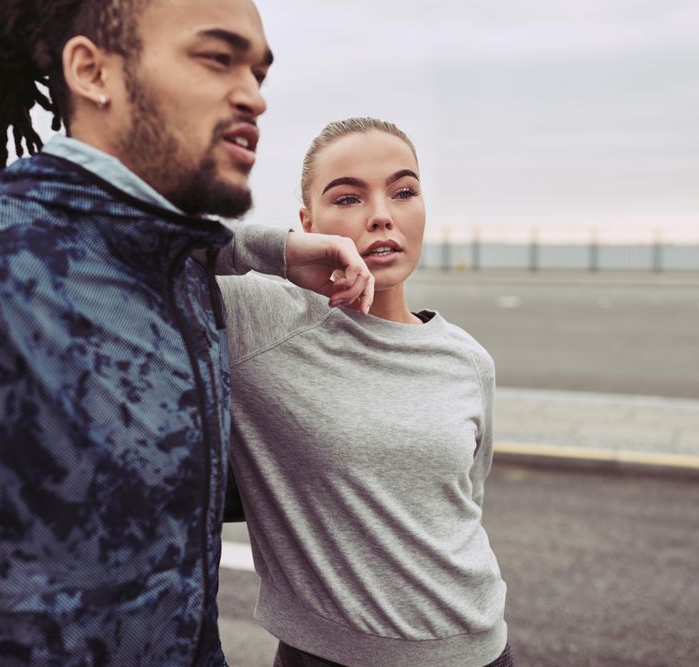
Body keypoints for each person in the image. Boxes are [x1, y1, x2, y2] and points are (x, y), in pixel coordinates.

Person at [0, 1, 373, 664]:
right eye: (217, 58)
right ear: (92, 71)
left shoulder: (181, 275)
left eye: (259, 73)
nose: (254, 97)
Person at [218, 117, 513, 667]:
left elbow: (465, 506)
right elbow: (131, 246)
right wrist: (278, 252)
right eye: (349, 197)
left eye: (404, 192)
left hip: (482, 650)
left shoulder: (469, 361)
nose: (382, 214)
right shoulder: (259, 321)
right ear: (307, 222)